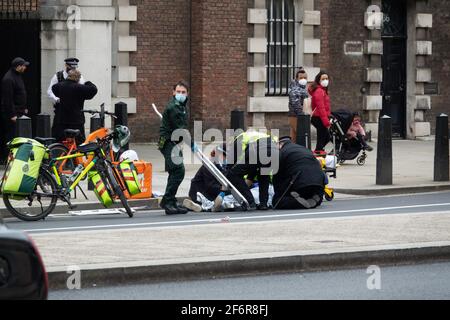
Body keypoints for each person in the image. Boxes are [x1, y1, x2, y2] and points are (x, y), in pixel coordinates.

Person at [158, 81, 190, 215]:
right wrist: (191, 142)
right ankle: (167, 200)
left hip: (174, 142)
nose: (181, 94)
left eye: (183, 92)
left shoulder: (182, 106)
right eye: (178, 92)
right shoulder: (173, 107)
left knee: (174, 171)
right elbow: (180, 129)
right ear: (173, 92)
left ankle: (170, 200)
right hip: (168, 142)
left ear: (187, 93)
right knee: (178, 170)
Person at [227, 130, 278, 211]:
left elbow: (231, 163)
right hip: (275, 152)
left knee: (233, 174)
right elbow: (252, 168)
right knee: (263, 175)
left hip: (259, 151)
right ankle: (263, 204)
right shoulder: (259, 135)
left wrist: (228, 174)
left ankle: (250, 202)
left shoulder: (239, 139)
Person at [272, 136, 326, 210]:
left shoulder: (282, 152)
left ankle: (297, 202)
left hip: (299, 182)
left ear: (280, 144)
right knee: (309, 192)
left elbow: (277, 175)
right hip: (318, 181)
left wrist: (278, 193)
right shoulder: (304, 149)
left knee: (277, 201)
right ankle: (316, 198)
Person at [51, 69, 97, 144]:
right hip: (76, 120)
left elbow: (54, 88)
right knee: (79, 142)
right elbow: (93, 89)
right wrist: (87, 82)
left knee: (62, 142)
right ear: (78, 78)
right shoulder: (79, 88)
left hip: (62, 120)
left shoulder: (60, 86)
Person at [47, 58, 85, 139]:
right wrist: (57, 99)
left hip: (75, 112)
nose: (73, 69)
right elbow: (50, 91)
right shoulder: (58, 76)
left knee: (78, 137)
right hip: (61, 111)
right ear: (66, 65)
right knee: (59, 135)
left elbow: (82, 90)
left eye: (74, 68)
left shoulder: (80, 76)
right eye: (71, 67)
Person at [183, 144, 228, 213]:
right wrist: (224, 190)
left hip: (208, 192)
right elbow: (210, 186)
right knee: (225, 198)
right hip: (199, 192)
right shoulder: (209, 166)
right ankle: (201, 205)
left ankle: (200, 207)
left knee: (226, 197)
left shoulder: (221, 167)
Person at [0, 57, 30, 162]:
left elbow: (20, 93)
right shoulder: (8, 78)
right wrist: (12, 115)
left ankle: (16, 159)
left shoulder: (17, 76)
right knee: (11, 137)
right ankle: (8, 159)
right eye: (23, 66)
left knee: (18, 136)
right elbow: (8, 99)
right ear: (18, 67)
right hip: (12, 114)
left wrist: (24, 107)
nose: (25, 67)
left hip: (19, 111)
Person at [309, 71, 331, 156]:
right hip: (318, 117)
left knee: (325, 136)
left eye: (326, 78)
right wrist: (326, 121)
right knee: (323, 136)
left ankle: (319, 150)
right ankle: (319, 151)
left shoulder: (322, 90)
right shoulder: (319, 91)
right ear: (319, 80)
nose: (325, 80)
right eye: (323, 79)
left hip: (320, 117)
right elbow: (321, 108)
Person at [288, 68, 309, 143]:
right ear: (297, 79)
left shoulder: (301, 89)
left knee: (294, 136)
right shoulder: (295, 90)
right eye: (301, 78)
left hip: (296, 115)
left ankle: (293, 152)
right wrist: (302, 115)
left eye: (305, 78)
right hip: (296, 116)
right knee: (300, 136)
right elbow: (296, 104)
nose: (303, 79)